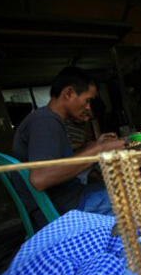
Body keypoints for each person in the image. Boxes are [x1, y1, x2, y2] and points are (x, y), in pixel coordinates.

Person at [13, 67, 125, 229]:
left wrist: (94, 146)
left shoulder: (50, 120)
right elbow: (40, 178)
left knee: (129, 186)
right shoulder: (45, 122)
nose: (88, 107)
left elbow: (59, 162)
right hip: (65, 208)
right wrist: (98, 151)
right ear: (69, 93)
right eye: (87, 100)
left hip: (70, 198)